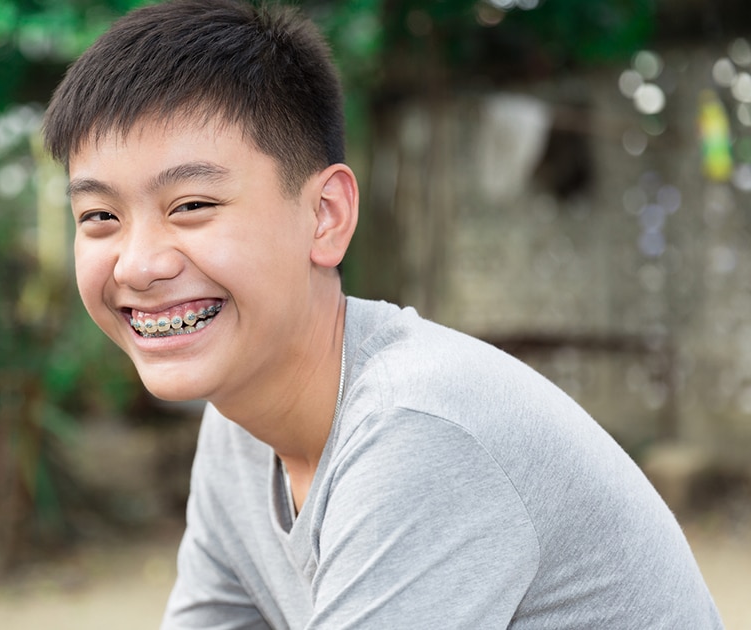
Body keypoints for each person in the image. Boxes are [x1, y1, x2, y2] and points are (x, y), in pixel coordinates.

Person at [42, 0, 723, 627]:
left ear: (326, 216)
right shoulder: (239, 428)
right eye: (99, 216)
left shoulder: (417, 429)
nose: (137, 265)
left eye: (192, 205)